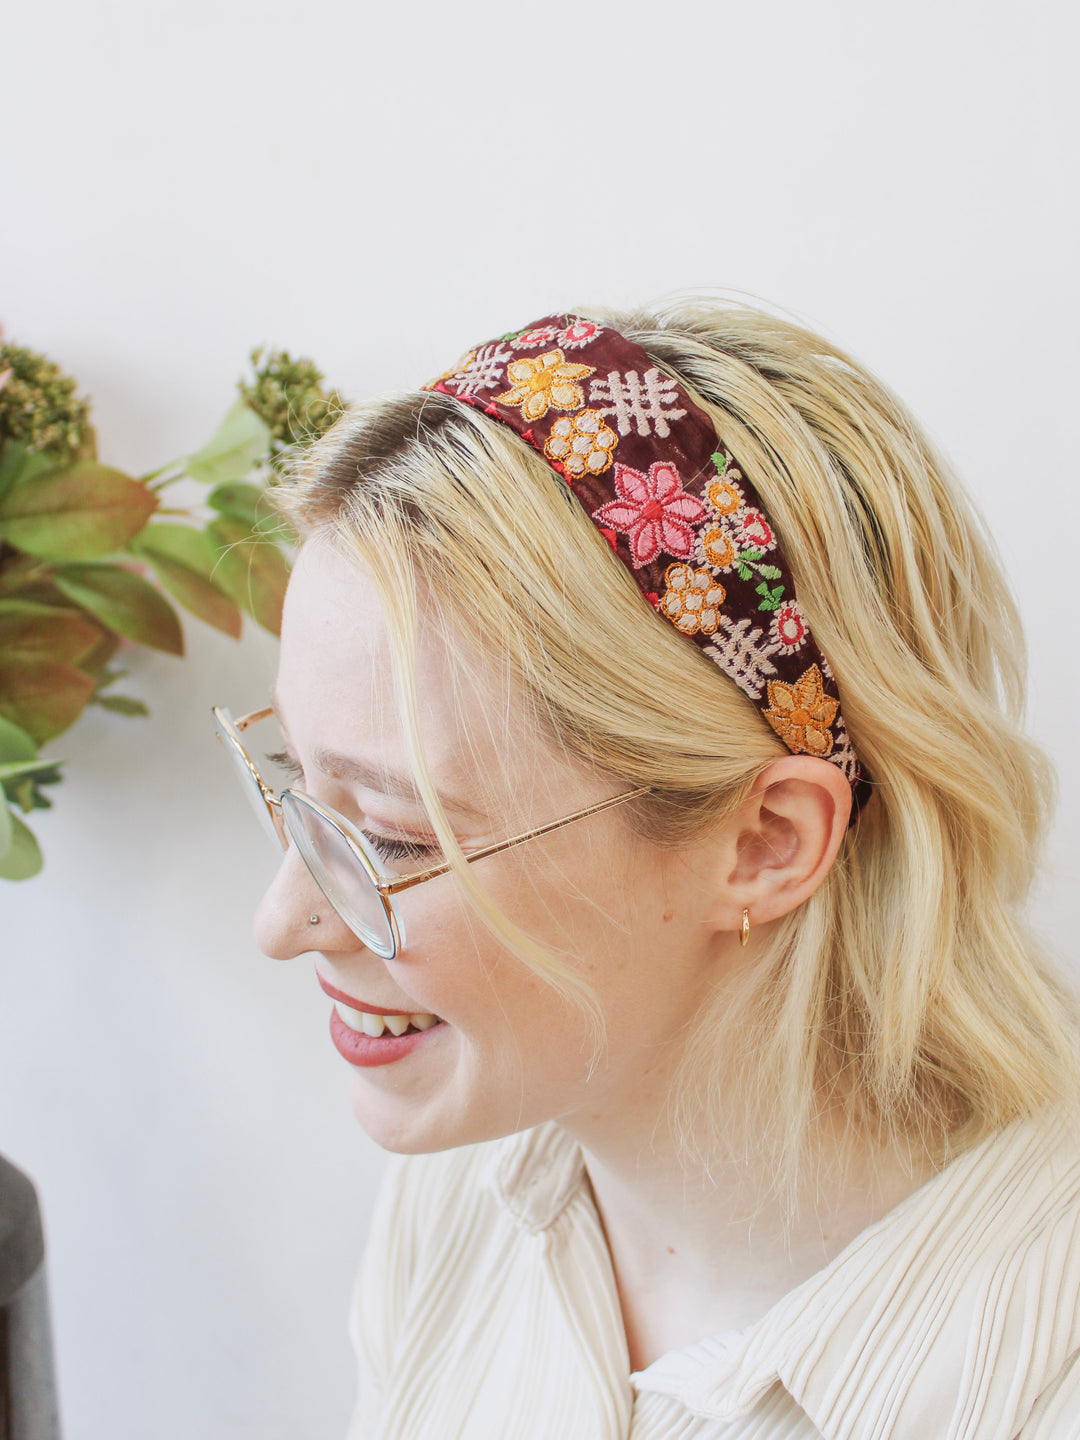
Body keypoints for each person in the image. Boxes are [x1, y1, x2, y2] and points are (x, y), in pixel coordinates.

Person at [214, 301, 1080, 1438]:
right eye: (297, 785)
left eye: (396, 838)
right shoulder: (468, 1189)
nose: (281, 922)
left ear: (767, 844)